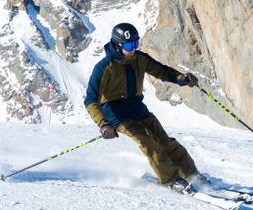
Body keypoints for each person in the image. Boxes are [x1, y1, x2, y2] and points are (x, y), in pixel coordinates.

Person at [84, 22, 203, 193]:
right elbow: (90, 100)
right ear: (118, 46)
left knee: (164, 141)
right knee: (148, 142)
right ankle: (172, 180)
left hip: (137, 107)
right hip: (116, 113)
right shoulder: (104, 68)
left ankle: (191, 174)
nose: (134, 49)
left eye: (136, 43)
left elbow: (161, 71)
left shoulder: (139, 58)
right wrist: (103, 124)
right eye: (129, 46)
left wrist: (181, 79)